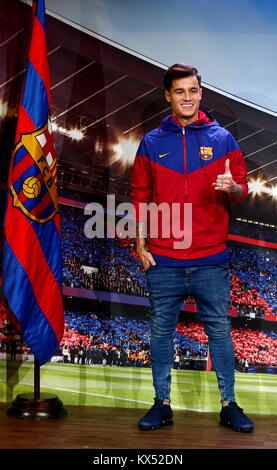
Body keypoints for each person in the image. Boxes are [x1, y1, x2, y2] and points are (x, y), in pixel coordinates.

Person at [130, 63, 254, 433]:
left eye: (193, 90)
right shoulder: (152, 142)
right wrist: (139, 241)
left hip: (210, 257)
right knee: (160, 332)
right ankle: (161, 404)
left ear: (201, 93)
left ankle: (229, 405)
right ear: (168, 95)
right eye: (180, 91)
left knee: (219, 331)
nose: (187, 97)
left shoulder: (223, 139)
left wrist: (232, 188)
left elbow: (241, 190)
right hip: (164, 258)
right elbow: (140, 196)